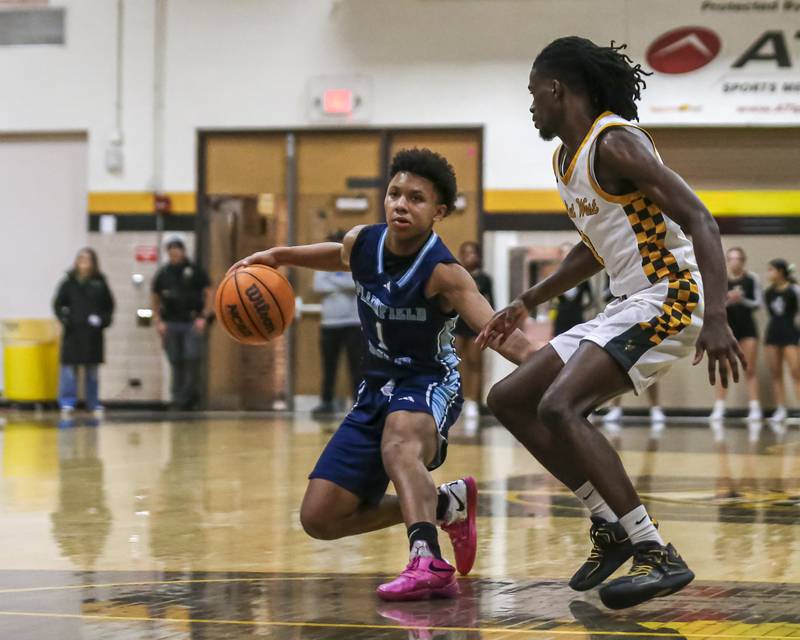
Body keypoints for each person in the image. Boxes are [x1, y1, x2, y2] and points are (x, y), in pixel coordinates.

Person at [478, 37, 744, 610]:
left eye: (533, 94)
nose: (530, 107)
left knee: (560, 405)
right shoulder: (565, 160)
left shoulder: (616, 142)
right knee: (511, 398)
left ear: (557, 90)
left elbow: (700, 217)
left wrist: (718, 314)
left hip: (673, 294)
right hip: (627, 301)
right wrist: (527, 299)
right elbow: (594, 247)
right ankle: (611, 523)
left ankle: (656, 552)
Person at [229, 148, 532, 601]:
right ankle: (446, 505)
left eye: (416, 198)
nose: (401, 205)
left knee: (399, 441)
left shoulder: (444, 273)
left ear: (439, 212)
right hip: (376, 387)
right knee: (321, 517)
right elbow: (338, 255)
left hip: (431, 382)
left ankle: (425, 558)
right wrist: (278, 255)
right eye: (394, 194)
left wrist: (555, 364)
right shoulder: (363, 242)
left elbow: (496, 332)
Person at [151, 238, 212, 410]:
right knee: (175, 361)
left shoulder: (195, 271)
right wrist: (158, 320)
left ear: (183, 252)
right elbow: (155, 297)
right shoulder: (163, 273)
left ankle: (190, 398)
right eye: (171, 252)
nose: (174, 254)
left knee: (191, 359)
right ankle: (177, 398)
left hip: (191, 322)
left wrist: (204, 317)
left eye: (177, 251)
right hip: (171, 322)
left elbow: (209, 292)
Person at [53, 248, 115, 417]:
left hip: (92, 333)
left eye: (87, 259)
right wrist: (66, 318)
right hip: (73, 331)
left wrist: (101, 320)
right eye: (80, 258)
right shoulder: (69, 282)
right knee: (68, 370)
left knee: (92, 370)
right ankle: (67, 402)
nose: (83, 262)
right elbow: (58, 304)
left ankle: (93, 402)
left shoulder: (100, 282)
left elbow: (109, 306)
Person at [311, 230, 362, 417]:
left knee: (357, 366)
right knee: (329, 365)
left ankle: (358, 403)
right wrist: (345, 285)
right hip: (330, 323)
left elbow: (357, 285)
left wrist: (333, 283)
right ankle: (326, 401)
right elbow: (318, 286)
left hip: (354, 322)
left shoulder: (357, 262)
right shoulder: (322, 264)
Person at [709, 247, 763, 421]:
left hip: (747, 329)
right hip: (728, 329)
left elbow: (757, 303)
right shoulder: (721, 279)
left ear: (743, 261)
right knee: (724, 368)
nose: (734, 262)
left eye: (738, 259)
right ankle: (719, 407)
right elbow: (714, 304)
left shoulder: (752, 279)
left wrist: (742, 300)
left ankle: (754, 407)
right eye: (731, 258)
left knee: (749, 367)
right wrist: (728, 300)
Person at [453, 241, 494, 419]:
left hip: (476, 326)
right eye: (465, 253)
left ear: (478, 256)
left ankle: (473, 401)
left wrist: (490, 325)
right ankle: (459, 398)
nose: (468, 256)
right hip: (457, 324)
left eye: (472, 253)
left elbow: (491, 303)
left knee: (475, 363)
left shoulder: (484, 279)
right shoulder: (457, 275)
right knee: (458, 363)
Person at [763, 258, 800, 423]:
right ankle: (780, 409)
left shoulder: (794, 290)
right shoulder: (768, 292)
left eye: (771, 270)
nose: (768, 273)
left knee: (795, 372)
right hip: (773, 334)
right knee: (776, 373)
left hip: (790, 333)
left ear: (780, 272)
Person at [552, 242, 594, 337]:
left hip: (577, 317)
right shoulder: (555, 278)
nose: (566, 255)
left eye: (569, 252)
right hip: (561, 318)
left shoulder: (583, 277)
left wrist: (582, 308)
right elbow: (550, 299)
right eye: (563, 252)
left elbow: (591, 299)